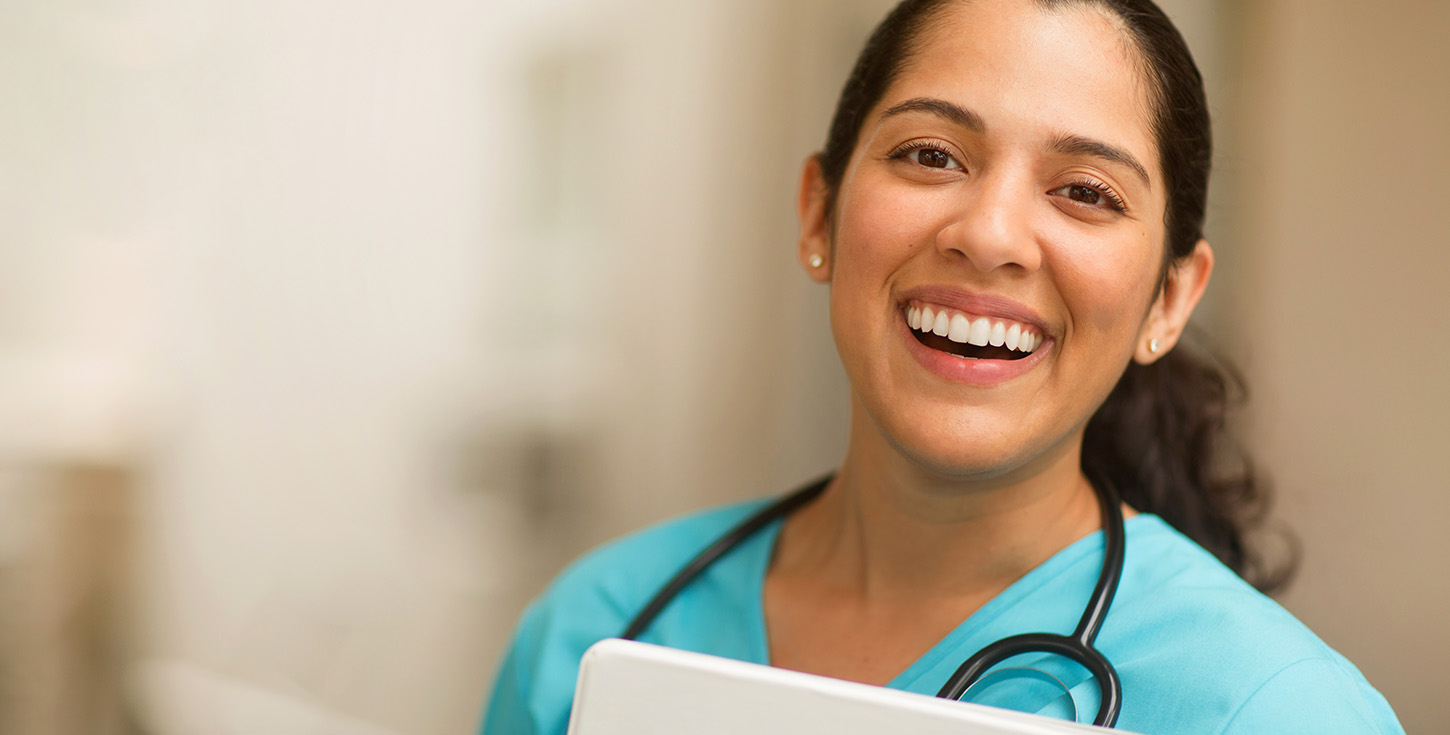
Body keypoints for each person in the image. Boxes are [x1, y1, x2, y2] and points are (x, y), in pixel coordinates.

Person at [481, 0, 1405, 732]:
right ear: (818, 215)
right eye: (931, 154)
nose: (990, 234)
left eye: (1086, 192)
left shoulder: (1274, 709)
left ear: (1168, 299)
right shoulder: (596, 629)